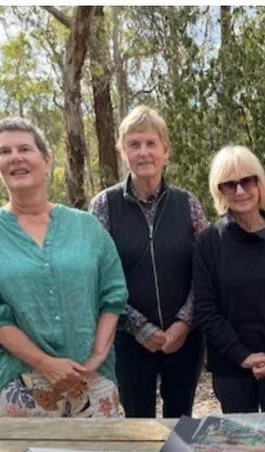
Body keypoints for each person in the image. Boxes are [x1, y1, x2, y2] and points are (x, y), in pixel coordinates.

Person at [0, 117, 128, 418]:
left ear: (46, 159)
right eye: (4, 151)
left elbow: (113, 294)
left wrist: (97, 357)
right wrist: (45, 364)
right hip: (21, 383)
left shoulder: (87, 227)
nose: (15, 157)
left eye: (24, 148)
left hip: (91, 377)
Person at [90, 106, 208, 418]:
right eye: (134, 144)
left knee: (180, 421)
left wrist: (184, 322)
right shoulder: (104, 206)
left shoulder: (188, 204)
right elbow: (98, 276)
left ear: (165, 150)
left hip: (185, 338)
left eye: (151, 144)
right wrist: (138, 326)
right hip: (128, 340)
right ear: (123, 151)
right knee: (137, 423)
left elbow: (206, 270)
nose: (144, 152)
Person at [193, 146, 265, 415]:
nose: (240, 191)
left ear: (259, 183)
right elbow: (206, 308)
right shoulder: (208, 242)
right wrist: (242, 356)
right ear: (219, 191)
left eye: (247, 181)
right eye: (229, 185)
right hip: (231, 369)